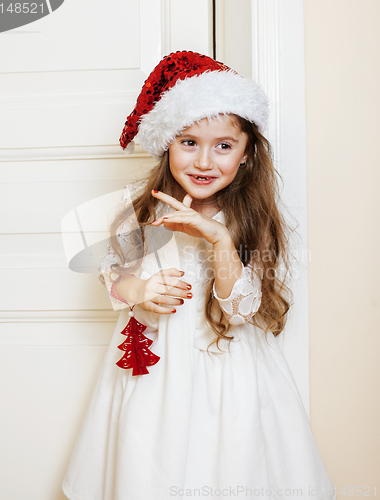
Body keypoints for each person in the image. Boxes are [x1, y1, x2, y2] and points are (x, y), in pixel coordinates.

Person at [62, 51, 336, 500]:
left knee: (230, 458)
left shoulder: (252, 216)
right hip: (155, 371)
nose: (204, 161)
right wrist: (142, 291)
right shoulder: (141, 207)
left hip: (227, 368)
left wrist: (219, 239)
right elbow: (114, 280)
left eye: (224, 146)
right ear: (167, 143)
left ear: (247, 154)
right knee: (150, 458)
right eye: (189, 143)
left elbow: (241, 309)